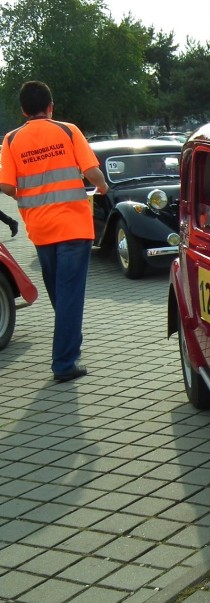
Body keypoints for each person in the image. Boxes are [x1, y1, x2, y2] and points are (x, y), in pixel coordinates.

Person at [0, 80, 108, 382]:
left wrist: (26, 196)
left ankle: (69, 342)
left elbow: (6, 185)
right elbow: (91, 171)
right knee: (70, 294)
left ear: (23, 110)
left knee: (60, 293)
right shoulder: (68, 130)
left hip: (41, 228)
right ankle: (64, 362)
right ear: (51, 106)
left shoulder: (10, 140)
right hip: (73, 226)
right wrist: (101, 186)